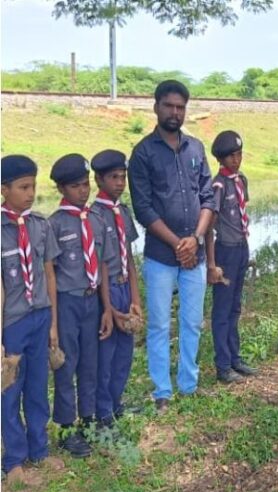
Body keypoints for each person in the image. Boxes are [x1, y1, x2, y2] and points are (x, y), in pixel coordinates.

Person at [128, 80, 214, 414]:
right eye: (169, 106)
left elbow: (207, 196)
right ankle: (162, 390)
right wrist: (179, 243)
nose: (175, 113)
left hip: (195, 255)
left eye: (180, 107)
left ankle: (189, 386)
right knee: (160, 324)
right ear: (156, 107)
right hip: (162, 257)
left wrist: (195, 238)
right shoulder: (143, 154)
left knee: (192, 322)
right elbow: (144, 209)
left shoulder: (196, 148)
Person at [1, 155, 62, 483]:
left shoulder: (40, 225)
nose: (30, 193)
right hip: (11, 323)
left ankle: (40, 449)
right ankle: (14, 461)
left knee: (38, 386)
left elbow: (48, 274)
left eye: (34, 186)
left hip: (39, 318)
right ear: (3, 189)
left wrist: (52, 321)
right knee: (10, 389)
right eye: (23, 187)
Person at [48, 153, 114, 457]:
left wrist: (107, 309)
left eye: (85, 184)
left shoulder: (97, 220)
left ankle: (88, 418)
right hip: (67, 302)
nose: (83, 191)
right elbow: (50, 274)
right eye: (75, 186)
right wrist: (54, 324)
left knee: (90, 361)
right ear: (61, 189)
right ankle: (66, 426)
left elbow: (101, 266)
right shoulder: (54, 225)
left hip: (91, 302)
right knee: (67, 363)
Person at [90, 150, 142, 429]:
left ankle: (116, 402)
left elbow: (130, 258)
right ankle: (103, 413)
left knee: (125, 352)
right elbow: (98, 267)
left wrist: (135, 298)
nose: (120, 183)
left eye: (123, 177)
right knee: (106, 356)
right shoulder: (93, 217)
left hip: (123, 288)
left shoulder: (123, 211)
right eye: (114, 178)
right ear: (98, 179)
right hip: (105, 292)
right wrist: (109, 308)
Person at [206, 130, 257, 384]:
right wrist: (212, 264)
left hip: (241, 247)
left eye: (239, 154)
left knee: (236, 307)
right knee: (222, 310)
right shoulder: (217, 185)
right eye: (231, 156)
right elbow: (210, 226)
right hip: (224, 249)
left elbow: (241, 211)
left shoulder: (241, 180)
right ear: (221, 159)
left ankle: (235, 358)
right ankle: (223, 365)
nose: (236, 160)